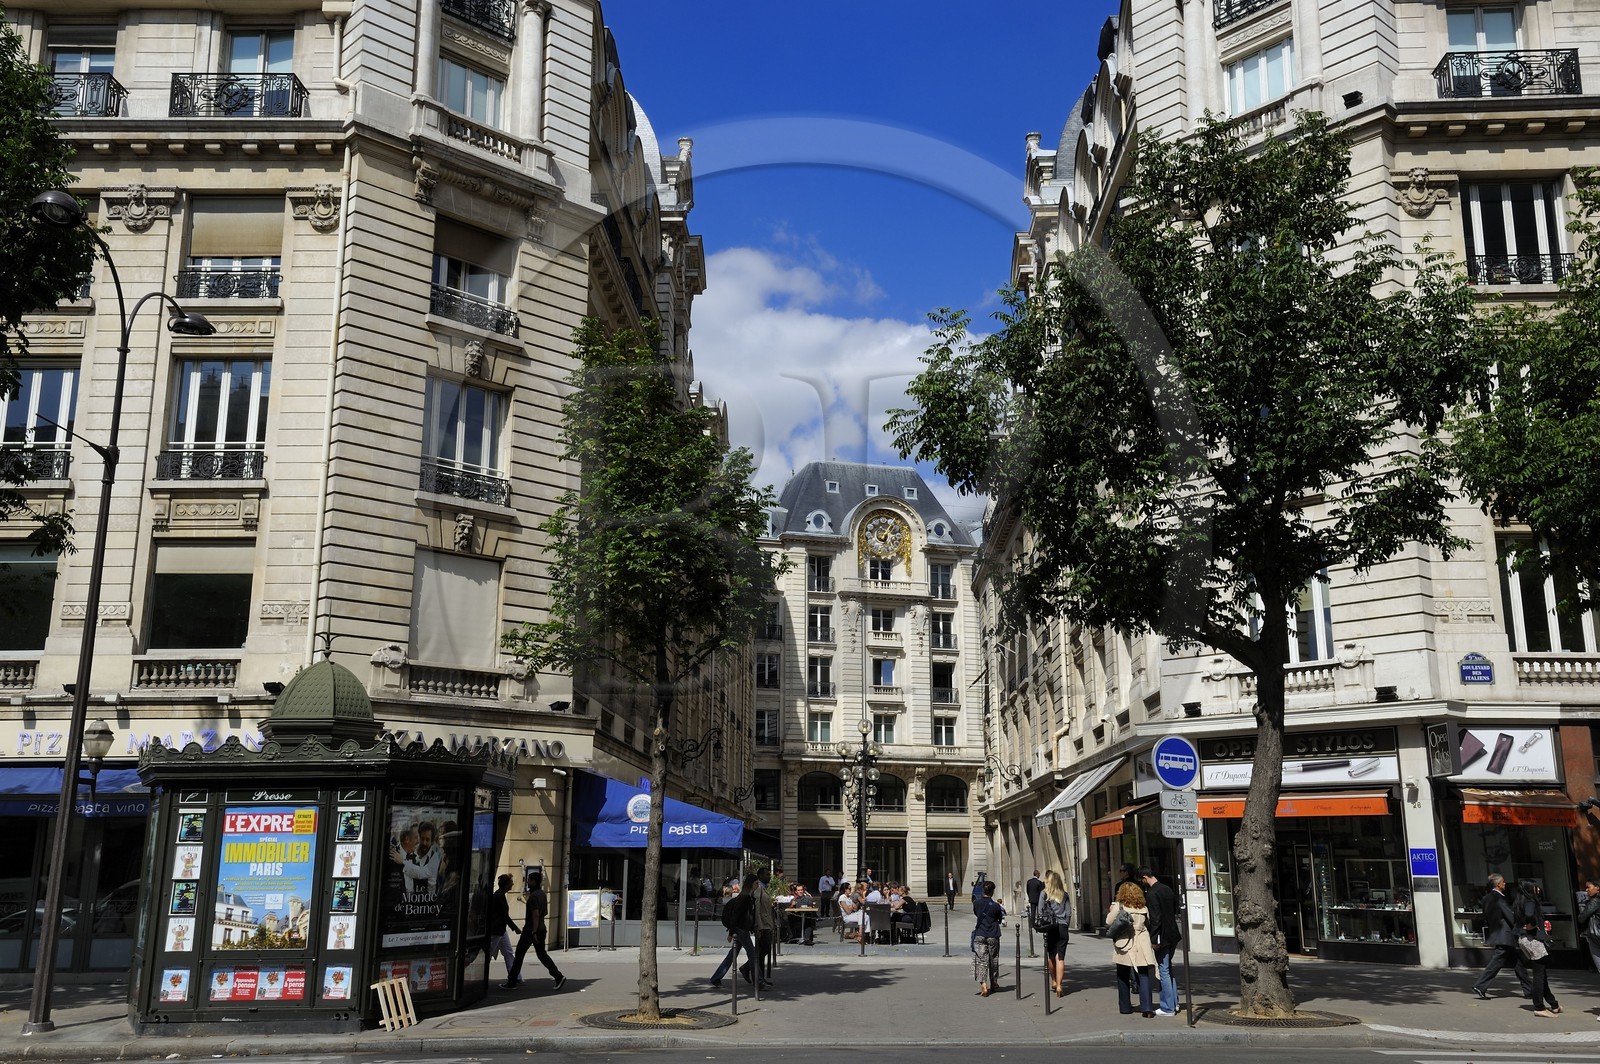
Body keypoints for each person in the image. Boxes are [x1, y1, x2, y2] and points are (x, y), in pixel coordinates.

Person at [1472, 873, 1532, 1000]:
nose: (1505, 884)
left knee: (1518, 964)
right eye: (1503, 882)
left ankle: (1529, 990)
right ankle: (1480, 985)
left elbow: (1487, 917)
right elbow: (1509, 915)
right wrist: (1521, 927)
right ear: (1498, 884)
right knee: (1496, 963)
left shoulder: (1486, 898)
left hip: (1499, 934)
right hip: (1505, 935)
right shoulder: (1499, 898)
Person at [505, 869, 566, 991]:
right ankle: (558, 976)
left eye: (529, 880)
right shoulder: (542, 894)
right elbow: (545, 912)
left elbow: (535, 915)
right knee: (541, 954)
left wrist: (533, 931)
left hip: (531, 930)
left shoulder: (533, 897)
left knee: (520, 954)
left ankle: (511, 982)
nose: (527, 882)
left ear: (533, 881)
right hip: (542, 928)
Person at [1107, 880, 1157, 1017]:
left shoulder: (1119, 906)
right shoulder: (1143, 908)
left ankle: (1125, 1007)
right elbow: (1148, 924)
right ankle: (1147, 1008)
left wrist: (1112, 911)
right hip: (1141, 941)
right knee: (1143, 974)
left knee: (1122, 975)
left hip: (1125, 942)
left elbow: (1108, 922)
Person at [1140, 867, 1181, 1017]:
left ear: (1145, 877)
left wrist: (1153, 939)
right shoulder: (1167, 889)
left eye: (1142, 880)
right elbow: (1174, 909)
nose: (1142, 883)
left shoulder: (1152, 893)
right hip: (1173, 934)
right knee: (1168, 968)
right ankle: (1174, 1003)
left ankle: (1167, 1007)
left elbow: (1156, 918)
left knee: (1163, 970)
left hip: (1162, 936)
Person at [1516, 879, 1560, 1016]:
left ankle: (1553, 1003)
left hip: (1523, 939)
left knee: (1540, 972)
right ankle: (1539, 1007)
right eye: (1536, 887)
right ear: (1530, 888)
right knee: (1539, 974)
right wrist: (1533, 924)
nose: (1538, 889)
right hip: (1533, 939)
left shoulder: (1519, 900)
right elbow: (1529, 915)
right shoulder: (1530, 900)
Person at [710, 874, 759, 987]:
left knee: (732, 954)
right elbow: (736, 916)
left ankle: (716, 977)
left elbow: (745, 916)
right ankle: (758, 980)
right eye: (756, 883)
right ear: (751, 884)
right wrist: (731, 933)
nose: (757, 885)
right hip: (740, 929)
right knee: (752, 954)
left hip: (741, 928)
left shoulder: (748, 896)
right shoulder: (745, 897)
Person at [1039, 869, 1073, 997]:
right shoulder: (1064, 894)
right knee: (1061, 957)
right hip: (1063, 927)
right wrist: (1065, 924)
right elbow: (1068, 913)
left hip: (1050, 927)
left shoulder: (1044, 894)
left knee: (1052, 956)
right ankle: (1059, 985)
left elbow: (1040, 911)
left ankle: (1053, 980)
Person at [972, 879, 1006, 997]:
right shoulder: (996, 906)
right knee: (993, 959)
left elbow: (977, 914)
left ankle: (984, 985)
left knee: (981, 960)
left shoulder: (976, 903)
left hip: (980, 934)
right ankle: (994, 982)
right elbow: (1000, 919)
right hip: (993, 934)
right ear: (992, 892)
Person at [487, 874, 520, 981]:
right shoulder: (499, 896)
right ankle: (479, 976)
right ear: (506, 884)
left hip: (500, 929)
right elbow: (504, 915)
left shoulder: (500, 895)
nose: (513, 884)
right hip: (497, 930)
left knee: (508, 952)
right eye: (511, 882)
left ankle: (515, 976)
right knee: (489, 953)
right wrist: (515, 928)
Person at [1579, 880, 1600, 973]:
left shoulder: (1594, 901)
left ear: (1597, 887)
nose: (1586, 890)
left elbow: (1581, 918)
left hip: (1596, 935)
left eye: (1588, 887)